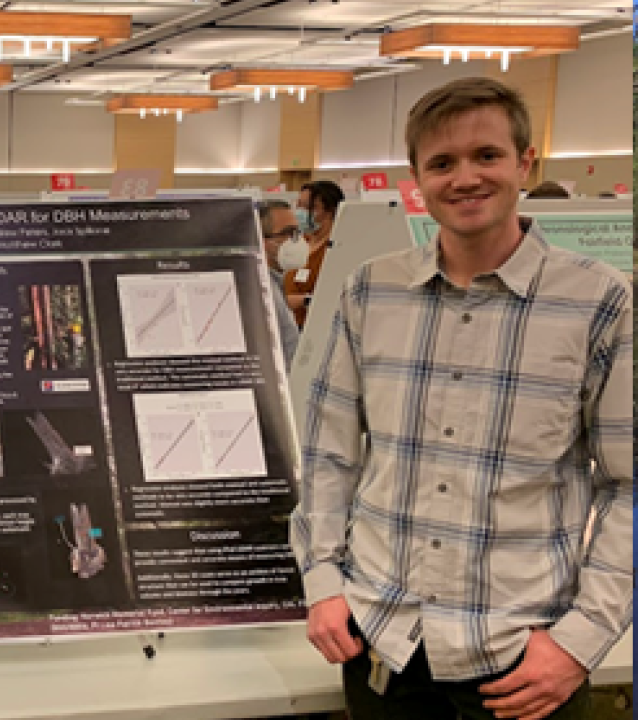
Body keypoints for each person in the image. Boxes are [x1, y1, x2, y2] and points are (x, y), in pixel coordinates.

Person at [290, 75, 631, 720]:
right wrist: (323, 585)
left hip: (523, 659)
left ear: (525, 164)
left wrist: (582, 642)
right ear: (416, 177)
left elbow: (628, 485)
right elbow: (328, 452)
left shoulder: (598, 301)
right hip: (384, 644)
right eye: (442, 163)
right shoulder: (371, 291)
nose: (465, 177)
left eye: (487, 156)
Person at [284, 179, 344, 327]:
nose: (300, 211)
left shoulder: (337, 248)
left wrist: (304, 301)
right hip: (290, 326)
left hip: (316, 328)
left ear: (330, 211)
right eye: (299, 205)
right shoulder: (296, 242)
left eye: (308, 206)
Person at [255, 199, 302, 368]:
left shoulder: (274, 283)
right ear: (262, 240)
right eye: (288, 233)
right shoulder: (262, 292)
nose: (297, 241)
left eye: (297, 233)